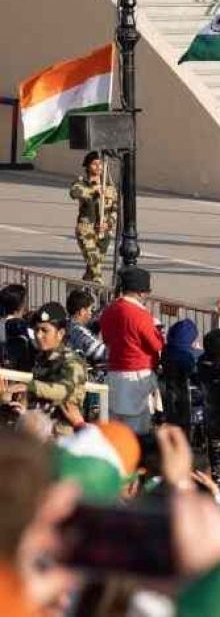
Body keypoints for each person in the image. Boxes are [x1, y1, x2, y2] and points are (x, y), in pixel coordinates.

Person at [99, 267, 164, 433]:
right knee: (137, 428)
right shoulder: (140, 315)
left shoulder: (109, 310)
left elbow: (106, 339)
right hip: (137, 375)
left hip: (114, 373)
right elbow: (156, 345)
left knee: (115, 427)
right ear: (141, 292)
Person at [26, 303, 87, 436]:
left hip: (61, 435)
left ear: (60, 333)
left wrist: (29, 386)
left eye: (44, 330)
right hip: (40, 432)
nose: (38, 335)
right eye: (36, 330)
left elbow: (63, 391)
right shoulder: (41, 358)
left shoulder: (72, 361)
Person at [68, 151, 118, 284]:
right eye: (94, 164)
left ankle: (79, 290)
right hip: (86, 230)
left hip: (103, 232)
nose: (98, 167)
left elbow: (115, 209)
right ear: (88, 166)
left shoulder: (109, 187)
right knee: (95, 265)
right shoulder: (82, 184)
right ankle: (101, 292)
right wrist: (93, 190)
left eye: (100, 164)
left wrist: (108, 224)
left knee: (92, 268)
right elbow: (74, 193)